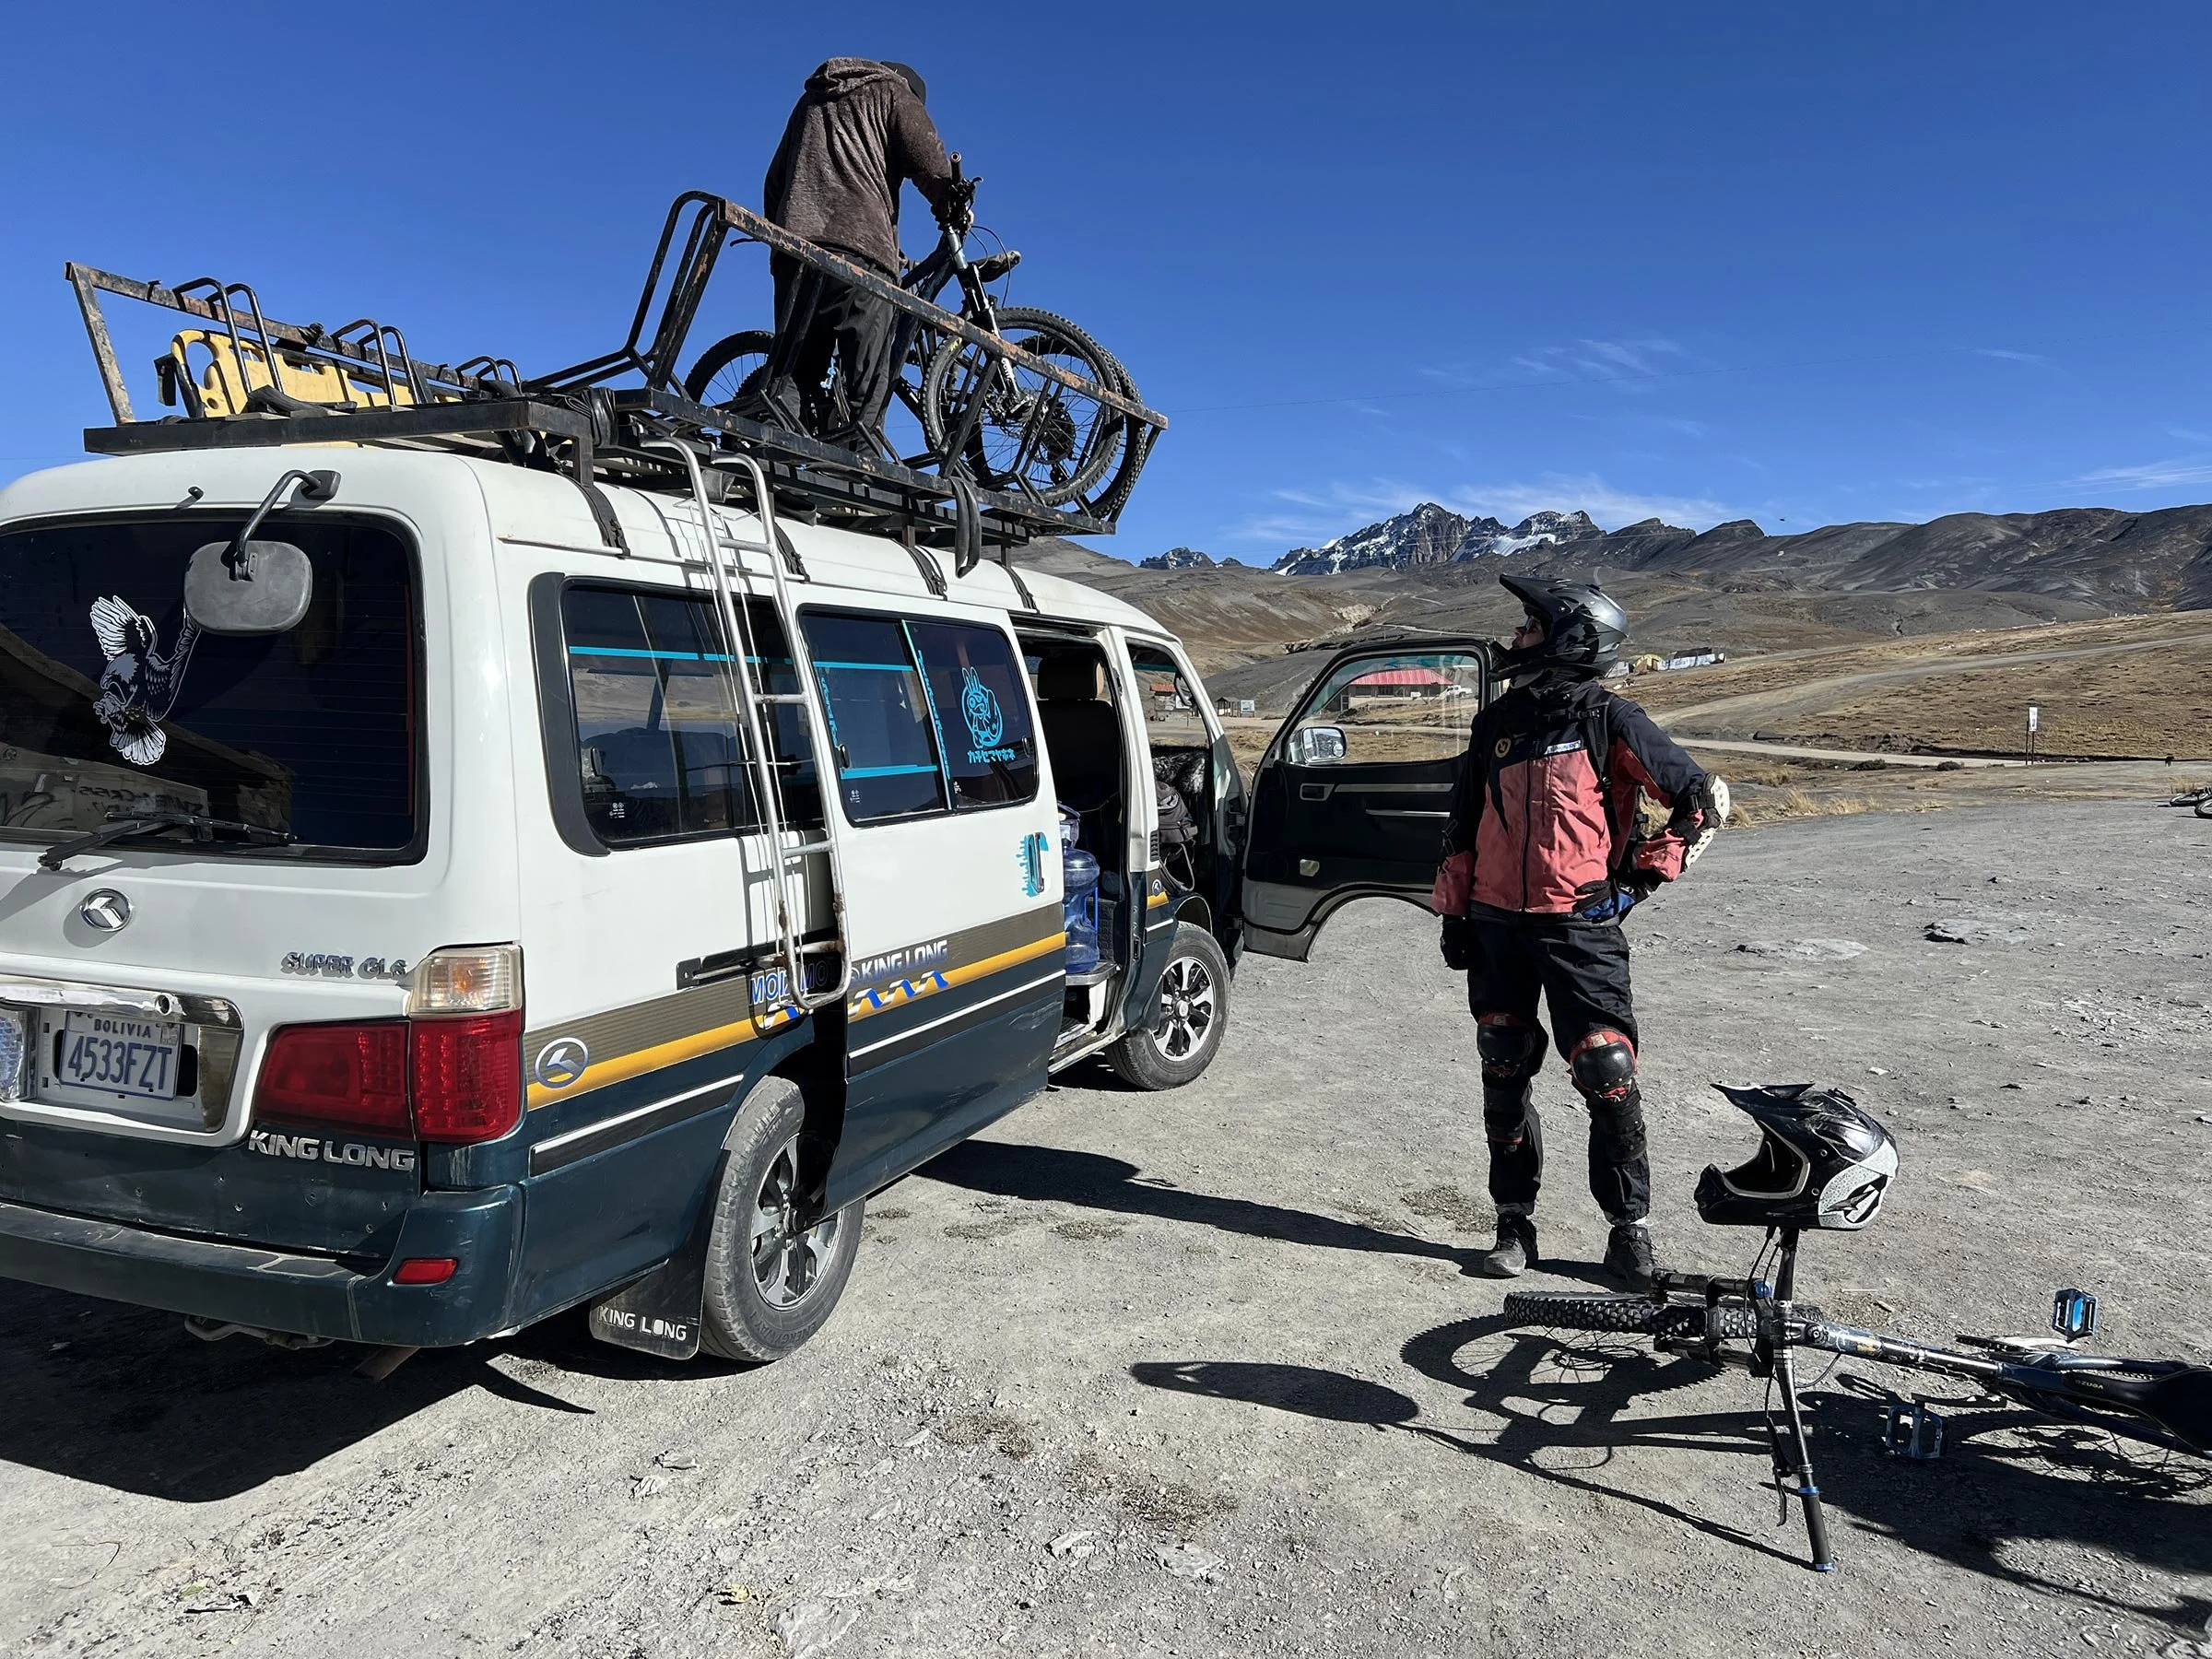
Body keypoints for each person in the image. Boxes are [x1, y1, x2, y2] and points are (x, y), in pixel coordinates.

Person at [1431, 575, 1724, 1288]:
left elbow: (1701, 799)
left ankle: (1630, 1235)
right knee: (1502, 1062)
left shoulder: (1611, 719)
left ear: (1570, 636)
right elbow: (1463, 826)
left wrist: (1638, 882)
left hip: (1578, 930)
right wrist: (1454, 913)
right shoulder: (1496, 723)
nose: (1517, 635)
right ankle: (1512, 1225)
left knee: (1606, 1070)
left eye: (1529, 624)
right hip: (1499, 924)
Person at [759, 59, 958, 451]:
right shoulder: (891, 91)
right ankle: (859, 481)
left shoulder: (811, 101)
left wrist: (786, 237)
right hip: (861, 253)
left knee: (794, 371)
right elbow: (928, 159)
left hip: (797, 252)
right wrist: (952, 201)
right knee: (866, 383)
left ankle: (773, 458)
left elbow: (775, 181)